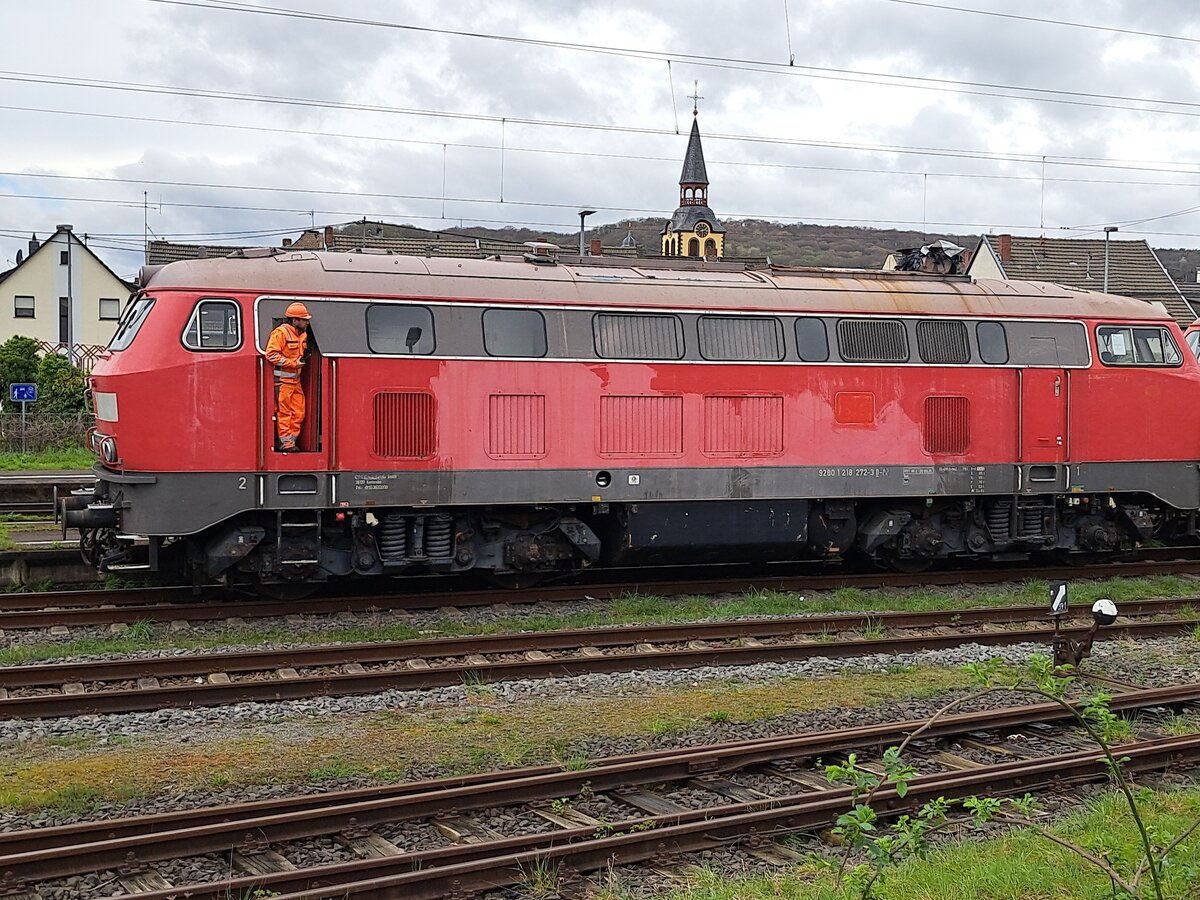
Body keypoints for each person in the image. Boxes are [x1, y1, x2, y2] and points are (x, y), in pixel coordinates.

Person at [264, 302, 312, 451]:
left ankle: (292, 441)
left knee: (299, 412)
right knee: (285, 413)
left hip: (295, 381)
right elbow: (271, 355)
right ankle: (286, 444)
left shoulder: (303, 335)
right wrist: (292, 363)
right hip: (283, 382)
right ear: (295, 320)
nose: (307, 322)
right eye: (304, 319)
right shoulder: (281, 333)